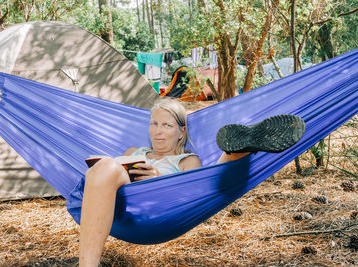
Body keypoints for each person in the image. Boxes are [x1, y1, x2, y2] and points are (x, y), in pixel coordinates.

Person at [79, 98, 305, 266]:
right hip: (115, 202)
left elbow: (193, 193)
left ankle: (239, 150)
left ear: (181, 132)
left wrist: (159, 179)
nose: (157, 132)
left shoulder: (187, 160)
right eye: (154, 124)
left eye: (167, 126)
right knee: (105, 166)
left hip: (153, 212)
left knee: (108, 167)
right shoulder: (133, 151)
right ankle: (240, 148)